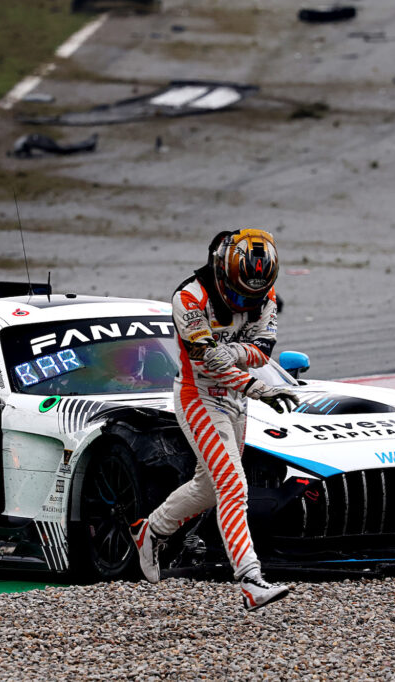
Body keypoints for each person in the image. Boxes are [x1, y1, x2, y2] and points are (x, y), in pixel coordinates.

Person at [129, 228, 300, 611]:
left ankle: (152, 530)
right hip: (199, 399)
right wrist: (258, 385)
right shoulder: (188, 297)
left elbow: (262, 350)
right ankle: (251, 580)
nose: (245, 302)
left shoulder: (265, 294)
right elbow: (210, 361)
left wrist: (236, 356)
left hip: (236, 399)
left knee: (208, 487)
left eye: (253, 296)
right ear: (221, 271)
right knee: (233, 486)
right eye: (238, 293)